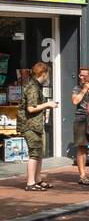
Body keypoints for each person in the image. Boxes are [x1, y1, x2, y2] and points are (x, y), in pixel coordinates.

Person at [18, 62, 57, 191]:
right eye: (48, 74)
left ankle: (37, 180)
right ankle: (30, 183)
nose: (48, 77)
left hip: (36, 125)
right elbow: (30, 108)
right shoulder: (33, 87)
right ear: (43, 73)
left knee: (38, 153)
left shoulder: (36, 85)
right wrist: (48, 105)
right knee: (34, 153)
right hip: (30, 125)